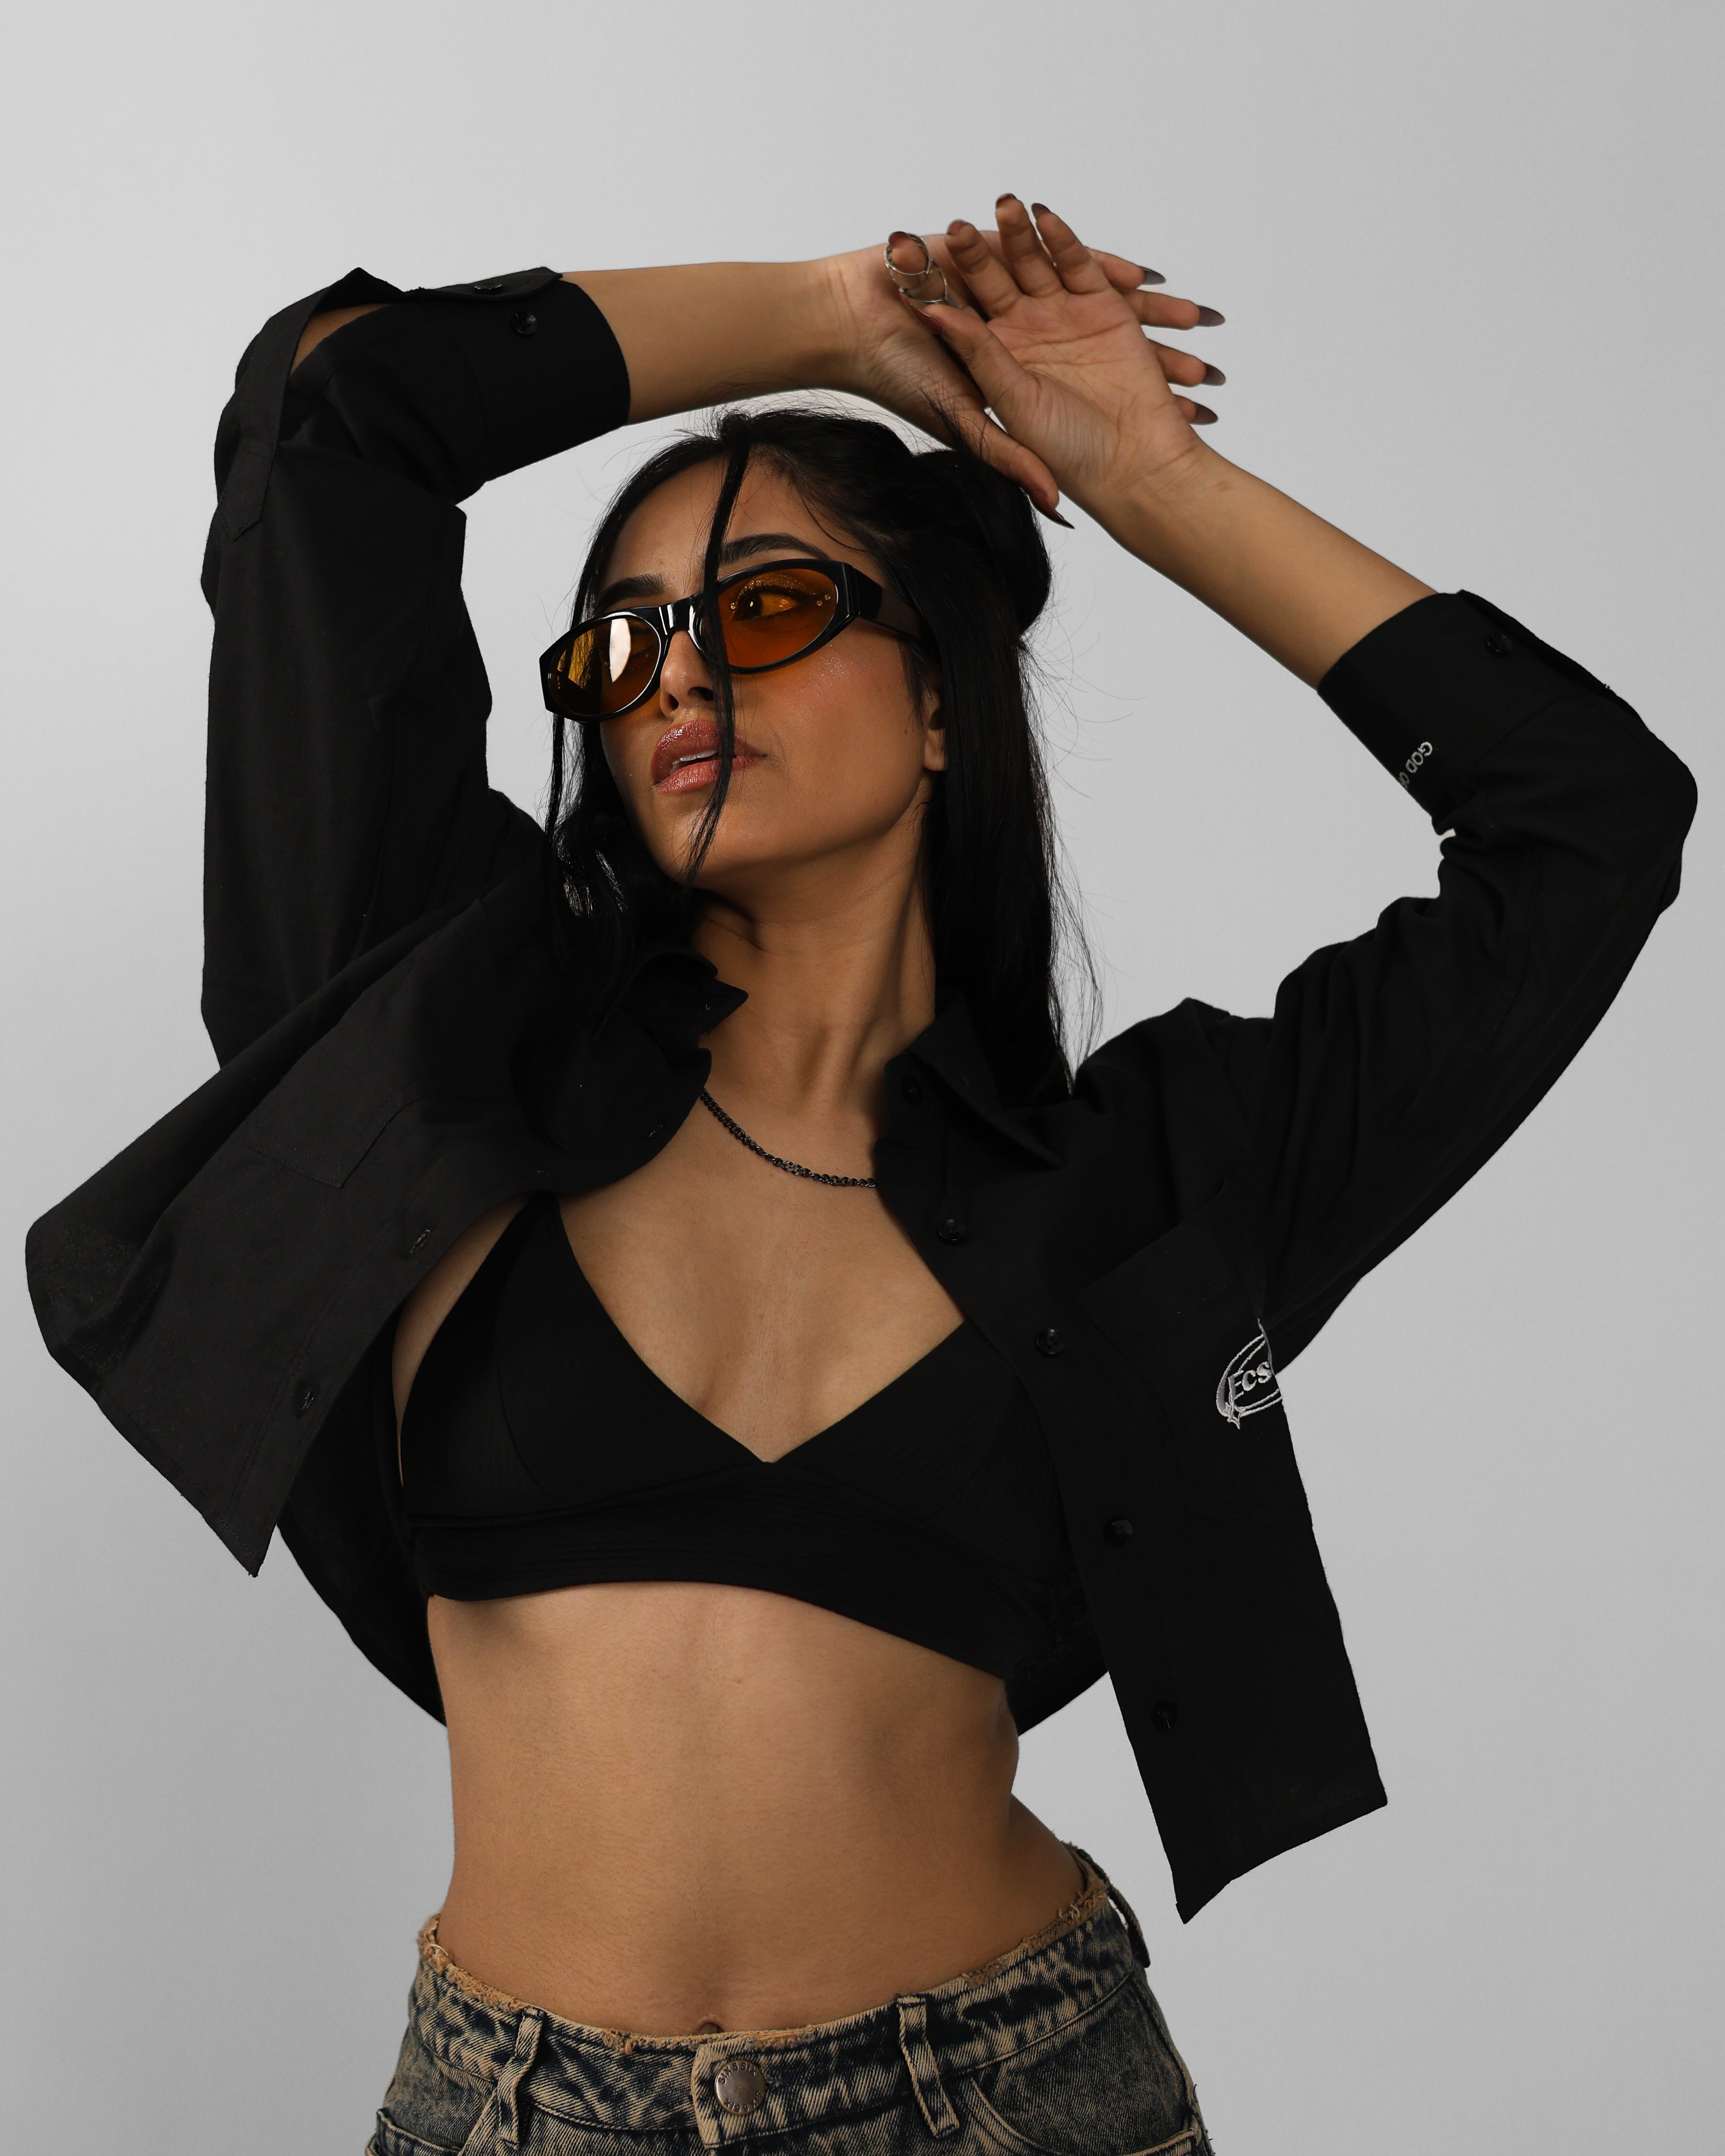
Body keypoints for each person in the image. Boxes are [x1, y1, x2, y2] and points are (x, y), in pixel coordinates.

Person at [25, 197, 1695, 2154]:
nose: (675, 679)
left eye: (766, 610)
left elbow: (1588, 822)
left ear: (939, 703)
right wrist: (832, 321)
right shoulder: (443, 1050)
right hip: (513, 2113)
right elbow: (339, 412)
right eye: (625, 641)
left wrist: (1146, 481)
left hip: (1008, 2097)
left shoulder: (1148, 1179)